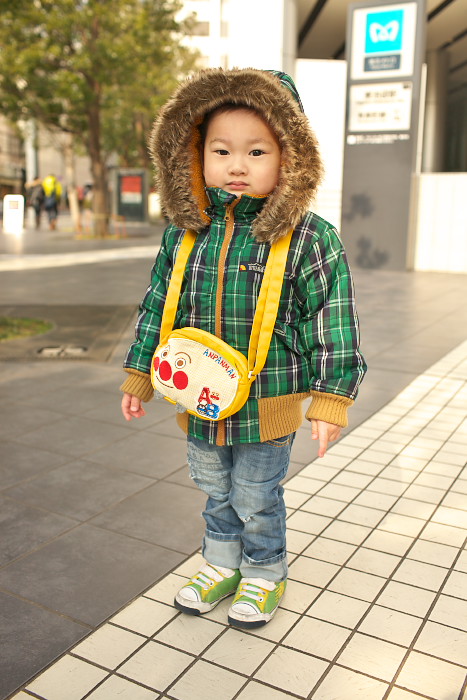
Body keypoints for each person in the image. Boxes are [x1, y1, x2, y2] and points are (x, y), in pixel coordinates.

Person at [120, 68, 366, 629]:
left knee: (256, 491)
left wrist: (331, 399)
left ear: (290, 158)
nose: (236, 165)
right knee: (211, 485)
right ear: (193, 155)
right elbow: (159, 304)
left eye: (256, 151)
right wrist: (139, 373)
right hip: (199, 397)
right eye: (221, 150)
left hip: (268, 401)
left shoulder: (310, 237)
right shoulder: (187, 230)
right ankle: (220, 561)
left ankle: (264, 569)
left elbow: (331, 320)